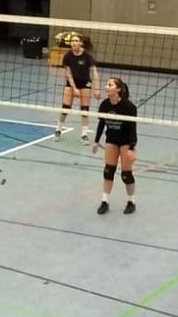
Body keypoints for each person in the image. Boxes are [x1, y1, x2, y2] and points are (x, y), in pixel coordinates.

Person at [91, 77, 138, 215]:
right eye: (107, 84)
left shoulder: (129, 107)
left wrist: (131, 148)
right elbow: (101, 123)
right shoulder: (105, 105)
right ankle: (104, 202)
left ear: (118, 89)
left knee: (126, 175)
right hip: (111, 139)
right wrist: (96, 141)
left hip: (125, 141)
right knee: (108, 171)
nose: (106, 86)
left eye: (110, 84)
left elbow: (133, 129)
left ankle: (131, 202)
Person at [54, 31, 98, 141]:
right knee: (65, 108)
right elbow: (68, 73)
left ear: (81, 43)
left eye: (76, 41)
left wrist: (97, 89)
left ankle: (84, 135)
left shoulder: (87, 56)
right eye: (72, 41)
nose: (74, 43)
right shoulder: (67, 56)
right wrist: (74, 88)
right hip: (72, 82)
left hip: (85, 83)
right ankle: (58, 130)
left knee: (85, 110)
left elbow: (94, 72)